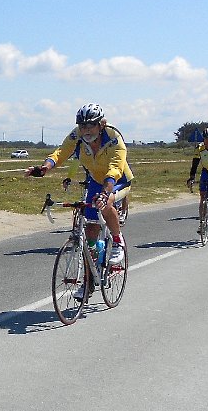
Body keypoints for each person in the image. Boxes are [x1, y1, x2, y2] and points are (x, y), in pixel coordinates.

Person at [26, 103, 132, 299]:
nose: (86, 131)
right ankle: (89, 281)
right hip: (95, 180)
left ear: (101, 124)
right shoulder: (77, 136)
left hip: (118, 181)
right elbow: (61, 153)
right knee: (90, 233)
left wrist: (106, 191)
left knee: (106, 202)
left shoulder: (114, 138)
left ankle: (117, 241)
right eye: (82, 126)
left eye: (90, 126)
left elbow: (115, 169)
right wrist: (44, 168)